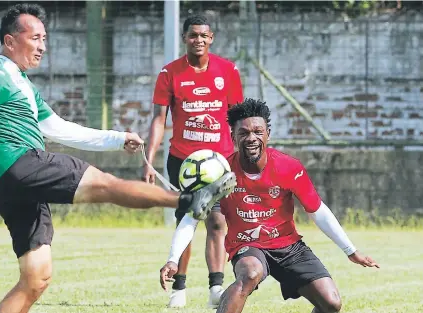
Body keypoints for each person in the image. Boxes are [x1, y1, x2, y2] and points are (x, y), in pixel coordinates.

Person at [0, 4, 237, 313]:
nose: (43, 46)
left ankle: (188, 201)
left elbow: (59, 129)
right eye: (35, 38)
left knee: (36, 278)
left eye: (45, 39)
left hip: (8, 188)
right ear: (10, 41)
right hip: (22, 164)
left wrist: (116, 139)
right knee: (106, 185)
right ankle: (188, 200)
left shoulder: (22, 84)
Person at [159, 98, 380, 313]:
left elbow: (317, 211)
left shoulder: (288, 167)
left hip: (289, 246)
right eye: (243, 133)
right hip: (247, 246)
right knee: (251, 273)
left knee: (331, 304)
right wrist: (172, 259)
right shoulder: (220, 174)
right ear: (233, 137)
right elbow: (191, 218)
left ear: (268, 134)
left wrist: (351, 251)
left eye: (258, 132)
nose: (251, 138)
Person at [144, 14, 244, 308]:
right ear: (184, 38)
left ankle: (216, 287)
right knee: (186, 218)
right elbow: (158, 120)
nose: (198, 40)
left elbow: (238, 118)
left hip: (221, 162)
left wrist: (241, 158)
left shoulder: (227, 71)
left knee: (217, 222)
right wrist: (149, 159)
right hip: (184, 162)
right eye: (192, 35)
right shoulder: (169, 73)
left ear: (211, 39)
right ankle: (179, 288)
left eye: (203, 35)